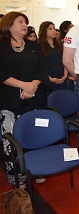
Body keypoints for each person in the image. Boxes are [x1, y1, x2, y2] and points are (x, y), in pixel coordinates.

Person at [0, 11, 48, 186]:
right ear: (9, 25)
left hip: (33, 98)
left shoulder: (32, 46)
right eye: (20, 21)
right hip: (9, 101)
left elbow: (41, 69)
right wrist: (23, 85)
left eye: (25, 21)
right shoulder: (1, 46)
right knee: (12, 141)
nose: (24, 24)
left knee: (34, 136)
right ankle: (17, 176)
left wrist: (32, 86)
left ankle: (37, 170)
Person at [38, 21, 69, 92]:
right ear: (44, 31)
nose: (53, 31)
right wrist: (51, 79)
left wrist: (65, 75)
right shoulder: (39, 47)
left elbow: (65, 61)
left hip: (62, 78)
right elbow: (40, 66)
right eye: (50, 29)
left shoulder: (59, 46)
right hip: (48, 81)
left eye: (54, 28)